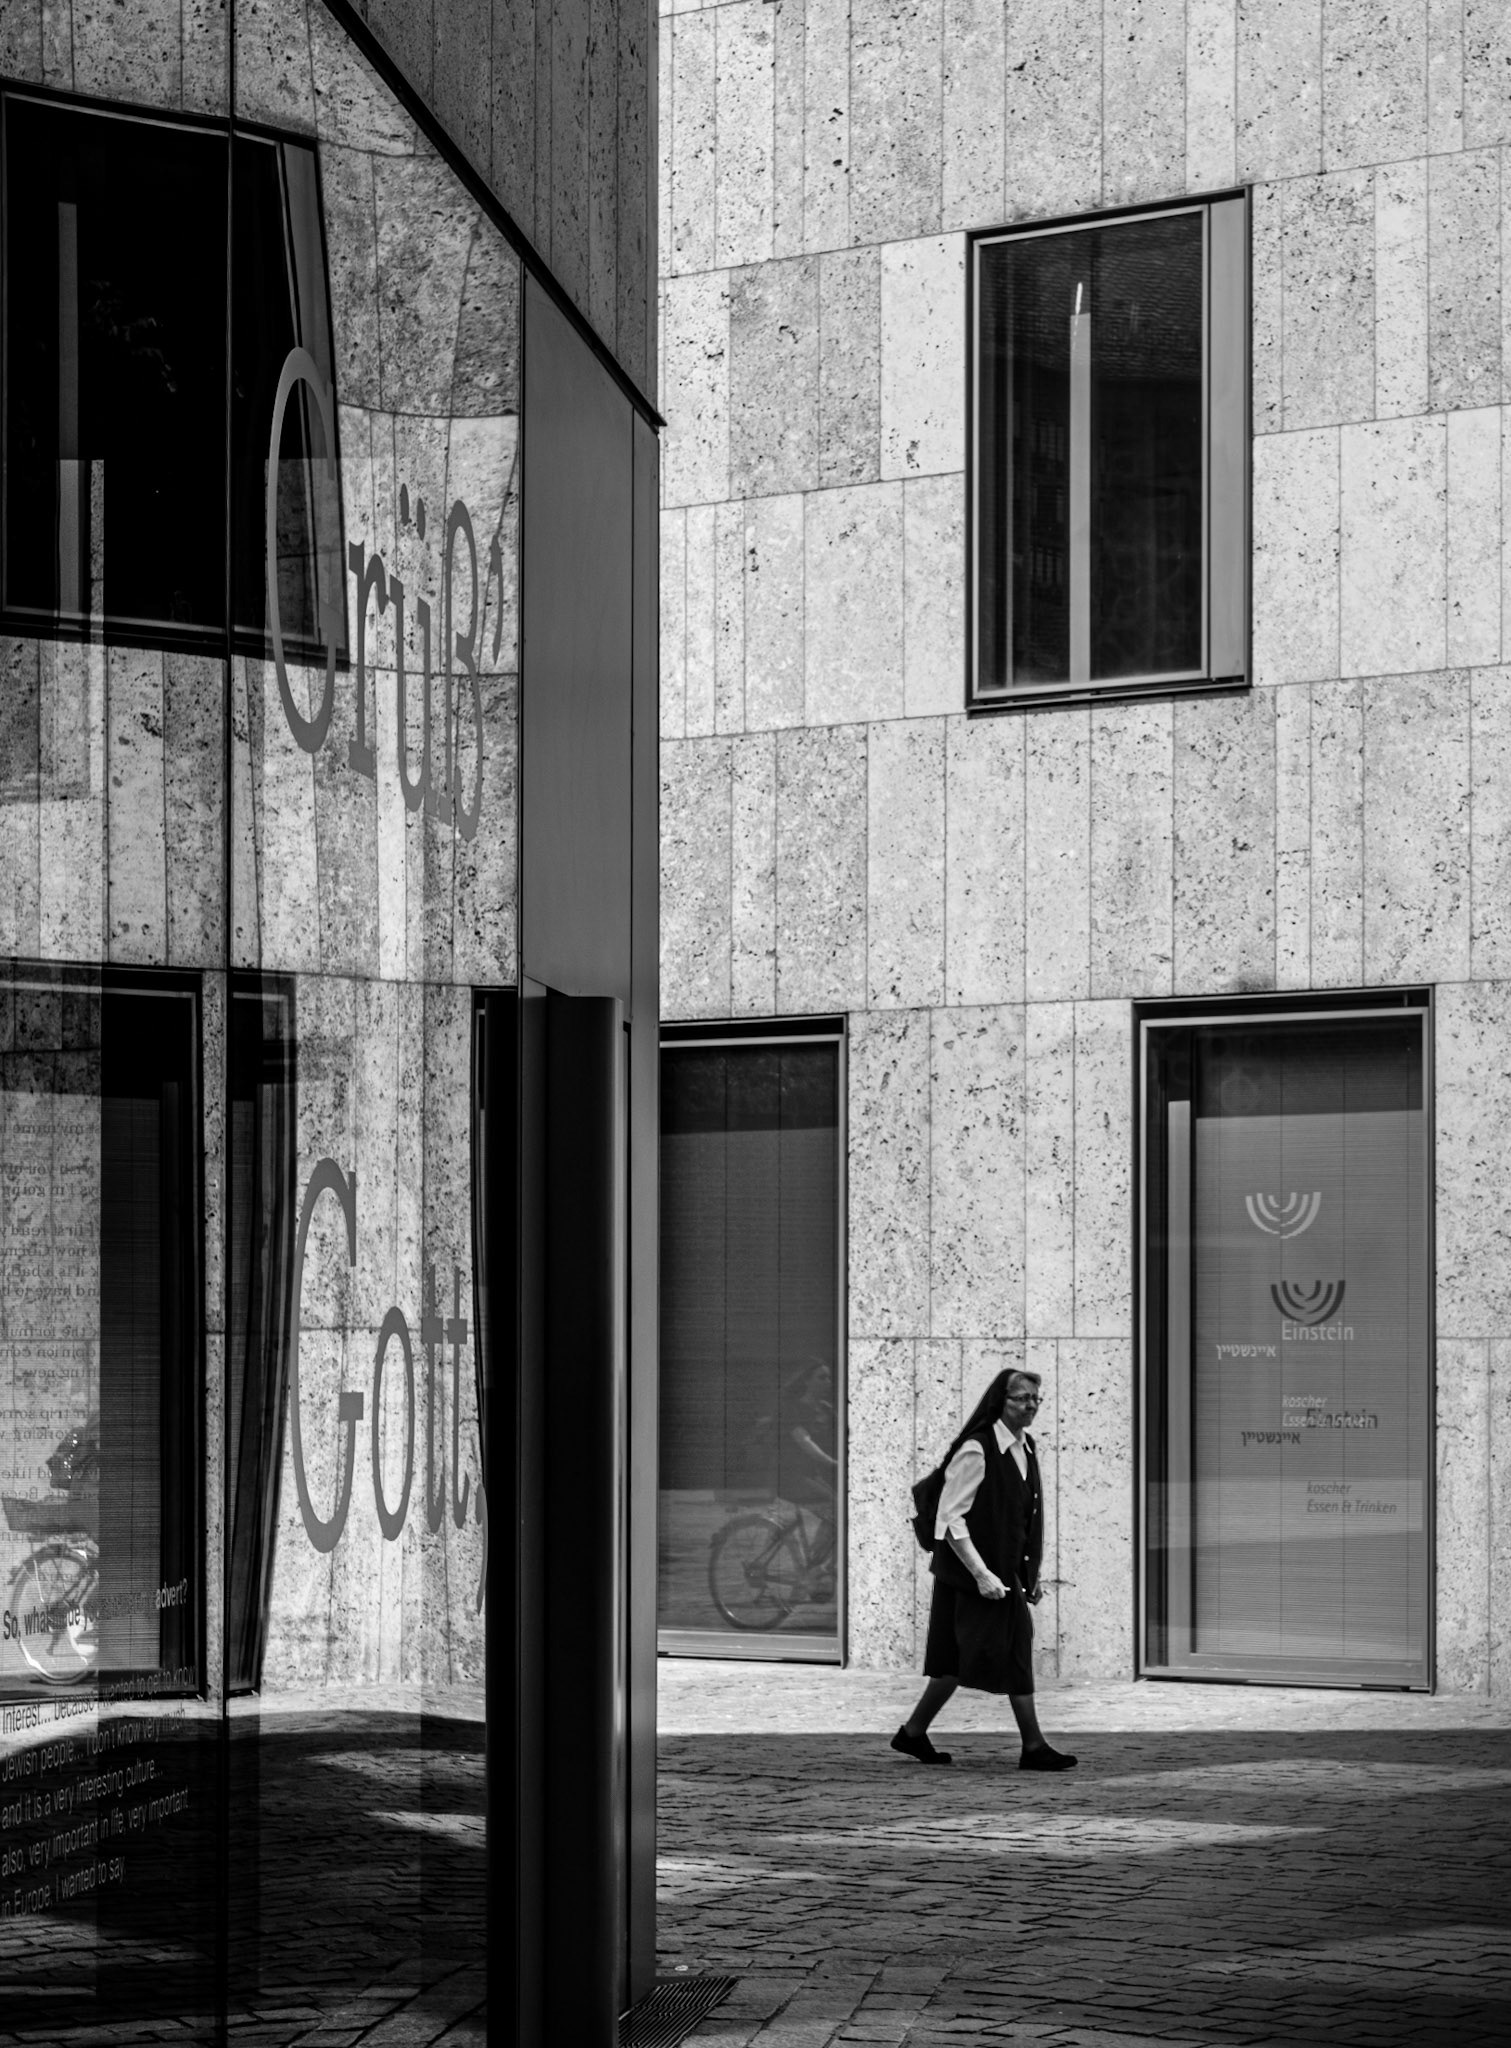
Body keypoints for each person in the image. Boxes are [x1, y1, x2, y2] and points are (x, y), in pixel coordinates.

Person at [891, 1367, 1077, 1772]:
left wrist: (1031, 1575)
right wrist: (981, 1574)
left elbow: (1022, 1520)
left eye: (1035, 1400)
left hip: (1001, 1576)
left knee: (953, 1662)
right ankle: (1033, 1746)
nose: (1030, 1406)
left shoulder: (1026, 1448)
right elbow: (949, 1520)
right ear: (1001, 1401)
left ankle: (912, 1733)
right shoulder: (978, 1449)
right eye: (1022, 1398)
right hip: (972, 1577)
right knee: (1016, 1650)